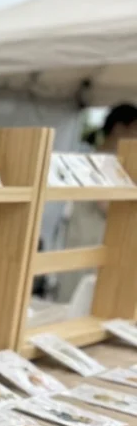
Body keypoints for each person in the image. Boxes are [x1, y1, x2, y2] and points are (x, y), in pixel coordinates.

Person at [59, 103, 137, 301]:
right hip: (89, 246)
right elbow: (108, 206)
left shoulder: (114, 162)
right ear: (119, 128)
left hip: (104, 248)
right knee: (79, 303)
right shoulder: (98, 161)